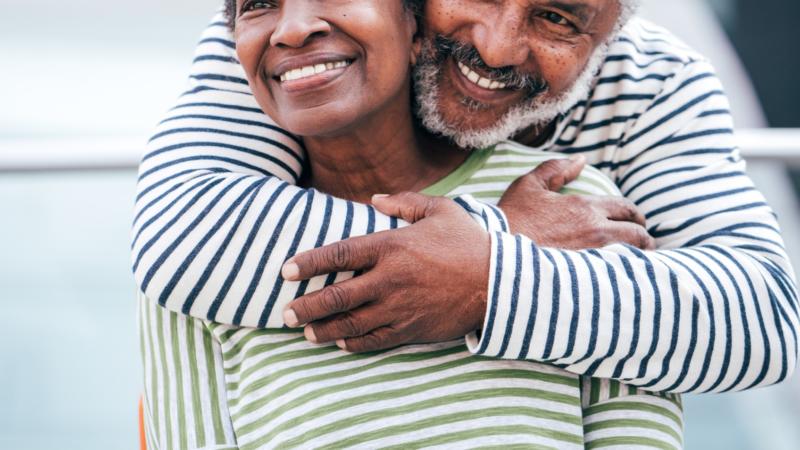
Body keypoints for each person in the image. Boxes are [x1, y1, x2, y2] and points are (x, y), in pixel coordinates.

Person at [133, 0, 798, 446]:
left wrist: (486, 276)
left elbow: (761, 321)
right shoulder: (297, 35)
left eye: (557, 17)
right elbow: (185, 238)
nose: (497, 46)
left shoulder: (652, 85)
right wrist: (497, 238)